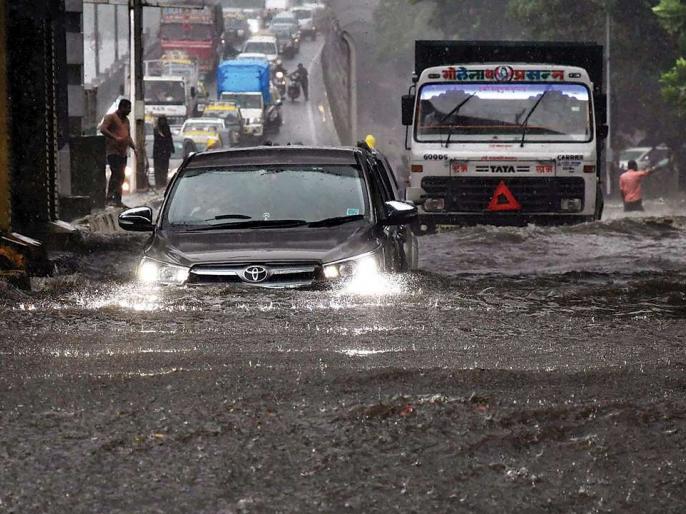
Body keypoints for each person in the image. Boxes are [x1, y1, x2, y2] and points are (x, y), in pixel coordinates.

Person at [99, 98, 136, 207]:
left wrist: (134, 148)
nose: (129, 111)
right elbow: (103, 129)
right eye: (127, 108)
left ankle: (118, 199)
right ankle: (110, 197)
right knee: (116, 173)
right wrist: (115, 137)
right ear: (121, 108)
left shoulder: (126, 121)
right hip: (112, 151)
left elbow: (127, 136)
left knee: (122, 175)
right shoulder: (110, 117)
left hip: (122, 152)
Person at [153, 115, 174, 189]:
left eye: (163, 120)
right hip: (158, 154)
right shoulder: (156, 130)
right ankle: (159, 183)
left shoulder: (167, 129)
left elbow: (169, 139)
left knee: (164, 169)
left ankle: (163, 183)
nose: (162, 122)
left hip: (165, 153)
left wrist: (171, 149)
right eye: (161, 120)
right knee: (158, 169)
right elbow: (156, 143)